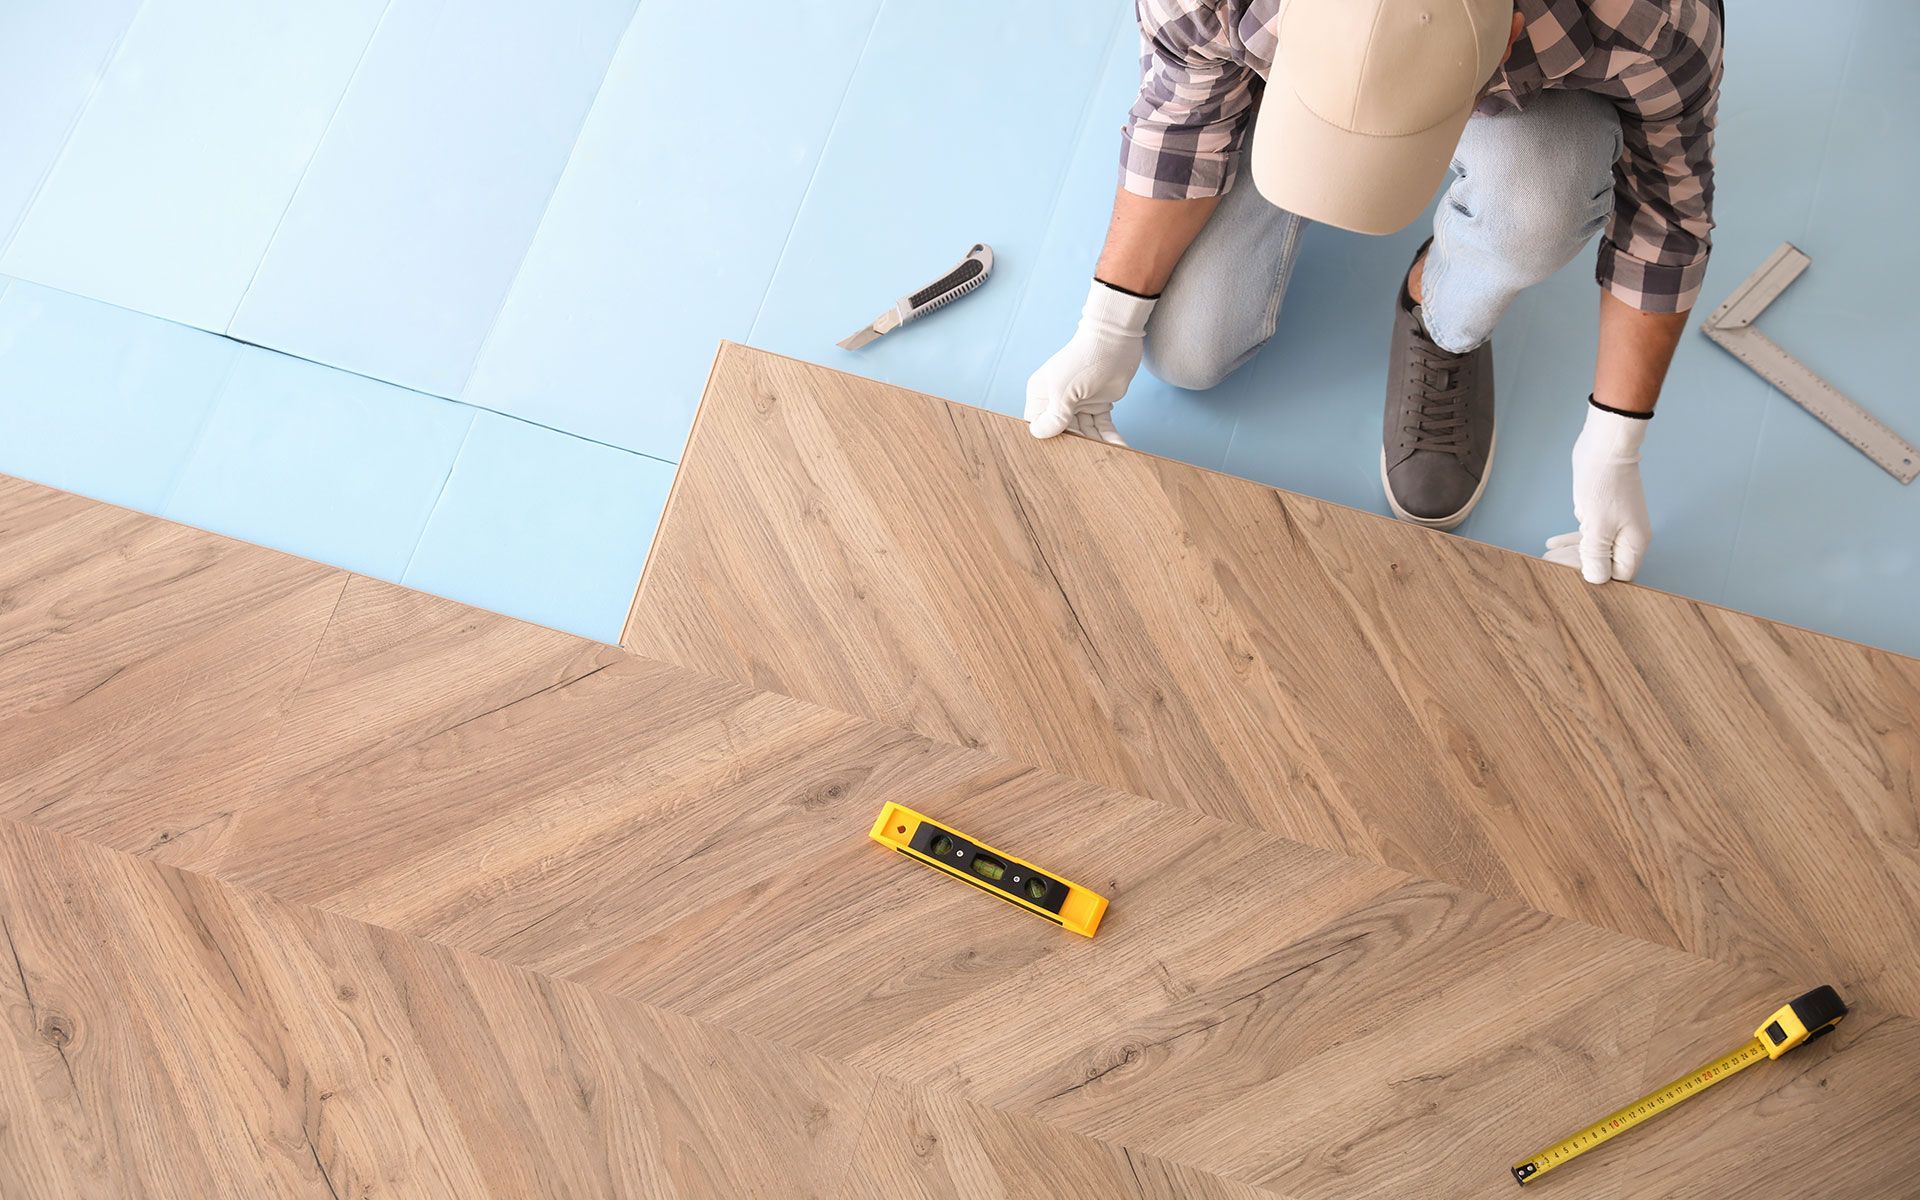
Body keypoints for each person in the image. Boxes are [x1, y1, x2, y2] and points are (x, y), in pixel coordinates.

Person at [1025, 0, 1722, 585]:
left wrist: (1615, 443)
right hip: (1282, 59)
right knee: (1185, 354)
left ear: (1507, 35)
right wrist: (1107, 325)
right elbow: (1176, 124)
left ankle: (1442, 307)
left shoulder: (1650, 20)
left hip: (1530, 87)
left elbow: (1668, 221)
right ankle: (1287, 107)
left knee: (1535, 211)